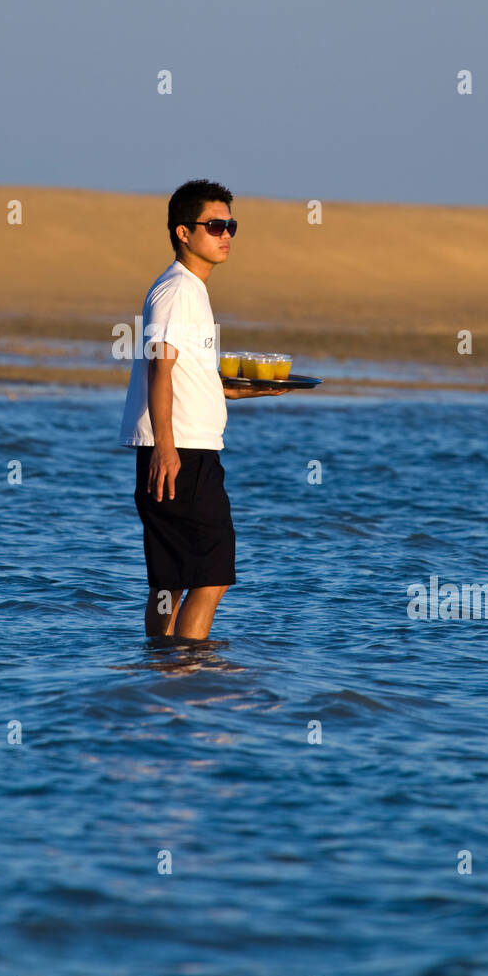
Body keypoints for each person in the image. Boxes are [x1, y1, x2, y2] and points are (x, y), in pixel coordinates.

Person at [119, 178, 294, 642]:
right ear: (183, 231)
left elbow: (189, 378)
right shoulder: (178, 291)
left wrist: (248, 391)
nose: (226, 235)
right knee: (211, 576)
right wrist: (167, 449)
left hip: (180, 448)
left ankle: (161, 669)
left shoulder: (189, 290)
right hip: (184, 454)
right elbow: (160, 370)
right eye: (215, 225)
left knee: (169, 583)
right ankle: (191, 673)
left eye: (231, 225)